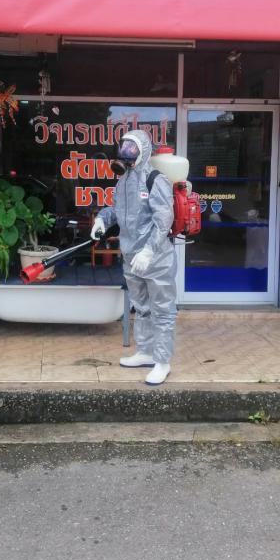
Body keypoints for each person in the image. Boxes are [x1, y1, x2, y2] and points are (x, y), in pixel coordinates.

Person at [91, 130, 177, 385]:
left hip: (156, 258)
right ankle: (146, 352)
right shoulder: (123, 181)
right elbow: (118, 210)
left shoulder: (155, 179)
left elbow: (164, 220)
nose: (126, 153)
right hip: (131, 256)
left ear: (143, 150)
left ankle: (162, 362)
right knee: (141, 307)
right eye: (124, 147)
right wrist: (101, 219)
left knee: (162, 310)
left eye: (132, 148)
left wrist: (149, 250)